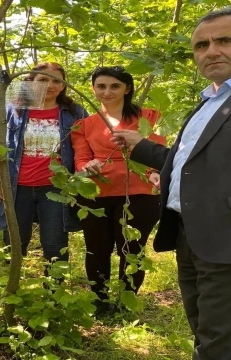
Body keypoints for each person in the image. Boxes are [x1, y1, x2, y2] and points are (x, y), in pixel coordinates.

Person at [111, 7, 231, 359]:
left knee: (220, 345)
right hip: (189, 235)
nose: (211, 51)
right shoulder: (208, 101)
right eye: (201, 45)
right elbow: (191, 162)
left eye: (224, 40)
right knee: (205, 331)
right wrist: (143, 148)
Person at [71, 66, 165, 307]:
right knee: (96, 249)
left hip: (140, 192)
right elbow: (80, 159)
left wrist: (155, 174)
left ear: (127, 88)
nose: (107, 91)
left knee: (132, 248)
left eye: (115, 86)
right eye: (101, 86)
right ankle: (98, 300)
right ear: (93, 89)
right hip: (96, 193)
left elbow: (158, 155)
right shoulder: (83, 125)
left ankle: (127, 302)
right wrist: (87, 165)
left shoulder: (149, 117)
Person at [0, 62, 89, 270]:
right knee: (14, 243)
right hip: (17, 187)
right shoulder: (12, 111)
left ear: (63, 86)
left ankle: (54, 294)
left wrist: (79, 177)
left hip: (56, 188)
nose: (49, 85)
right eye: (43, 79)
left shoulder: (74, 112)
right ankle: (12, 293)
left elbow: (85, 147)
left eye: (56, 80)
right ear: (30, 82)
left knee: (54, 244)